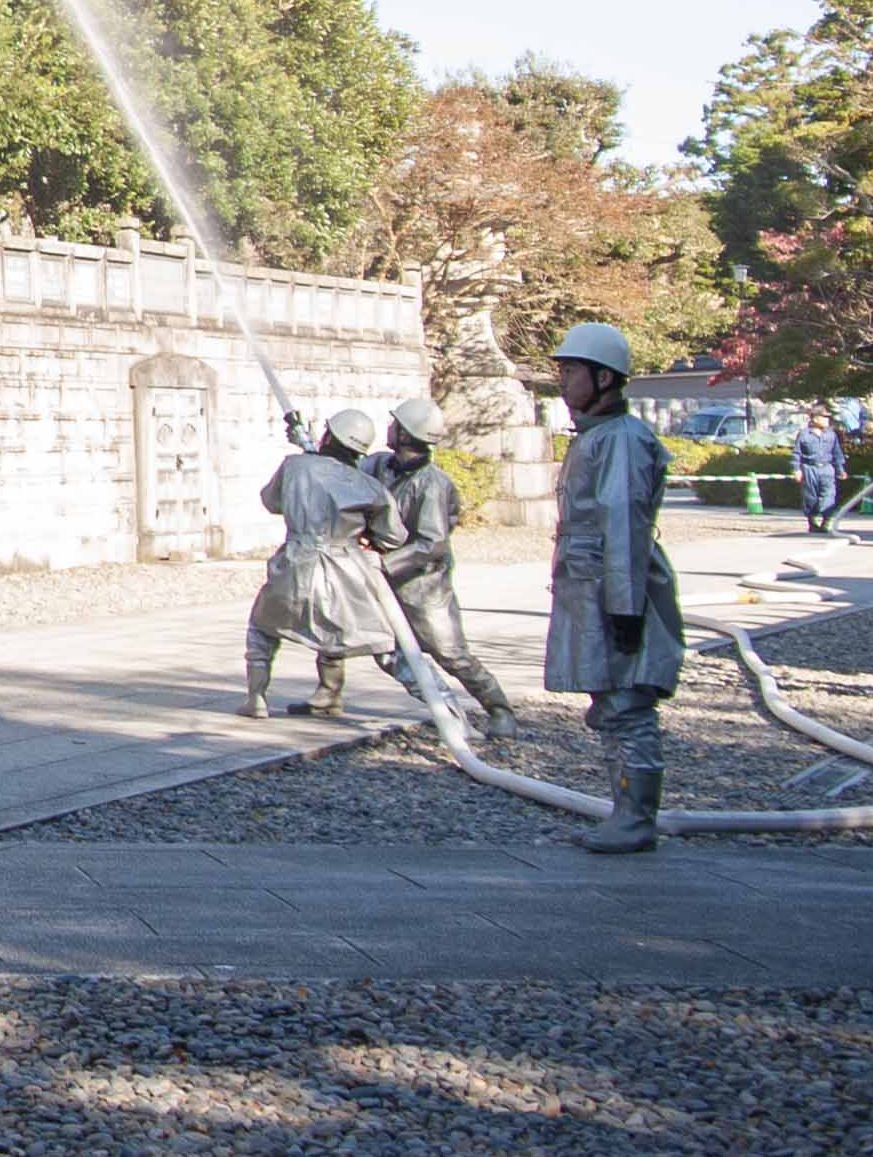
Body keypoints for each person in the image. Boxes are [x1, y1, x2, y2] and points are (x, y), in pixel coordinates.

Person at [544, 320, 686, 858]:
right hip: (594, 588)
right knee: (610, 702)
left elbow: (623, 524)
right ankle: (624, 812)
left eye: (572, 371)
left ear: (605, 378)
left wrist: (625, 609)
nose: (563, 381)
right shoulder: (598, 437)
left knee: (627, 705)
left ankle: (635, 818)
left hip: (614, 589)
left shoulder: (622, 442)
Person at [368, 393, 519, 748]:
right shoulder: (378, 466)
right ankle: (445, 709)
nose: (390, 428)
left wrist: (386, 563)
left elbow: (433, 543)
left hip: (423, 585)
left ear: (407, 435)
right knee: (387, 651)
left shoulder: (432, 484)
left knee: (450, 652)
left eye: (396, 424)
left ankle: (500, 709)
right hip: (384, 581)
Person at [244, 405, 404, 719]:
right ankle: (433, 695)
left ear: (329, 436)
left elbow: (272, 501)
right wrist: (368, 536)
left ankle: (257, 698)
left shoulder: (294, 467)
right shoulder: (369, 487)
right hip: (345, 567)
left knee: (263, 629)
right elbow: (393, 536)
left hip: (294, 562)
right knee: (350, 634)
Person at [790, 409, 846, 536]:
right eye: (824, 417)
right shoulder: (804, 434)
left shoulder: (831, 435)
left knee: (829, 495)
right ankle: (812, 522)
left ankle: (826, 522)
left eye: (828, 417)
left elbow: (837, 453)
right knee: (810, 497)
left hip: (827, 468)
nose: (827, 420)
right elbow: (797, 453)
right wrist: (796, 469)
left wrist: (840, 469)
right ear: (814, 418)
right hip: (810, 468)